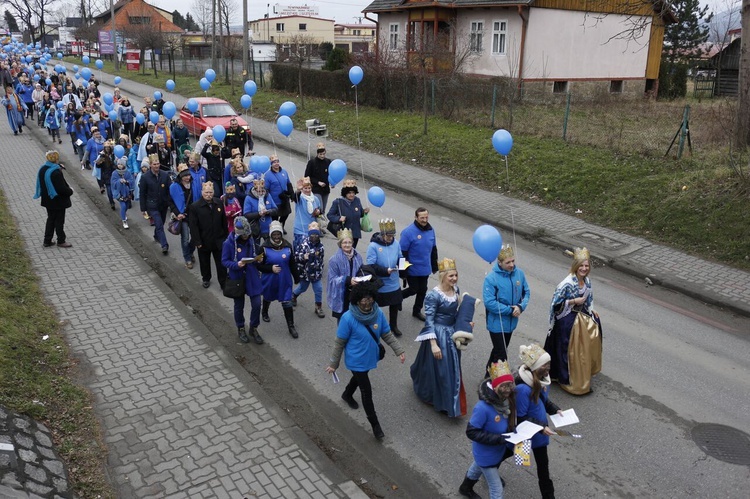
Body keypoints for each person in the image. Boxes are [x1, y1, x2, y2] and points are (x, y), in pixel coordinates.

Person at [325, 281, 406, 440]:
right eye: (364, 300)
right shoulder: (347, 318)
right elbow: (339, 343)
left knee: (359, 378)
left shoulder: (378, 313)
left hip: (371, 356)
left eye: (370, 299)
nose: (368, 303)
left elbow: (387, 334)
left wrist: (399, 351)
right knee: (366, 391)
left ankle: (347, 394)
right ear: (356, 300)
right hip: (356, 360)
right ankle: (375, 425)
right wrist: (333, 364)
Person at [410, 258, 468, 418]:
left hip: (452, 333)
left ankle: (448, 398)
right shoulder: (433, 295)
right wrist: (434, 344)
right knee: (441, 369)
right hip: (439, 335)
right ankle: (440, 399)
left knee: (452, 367)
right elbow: (429, 320)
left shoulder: (456, 290)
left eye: (455, 275)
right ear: (443, 276)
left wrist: (465, 324)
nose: (454, 279)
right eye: (451, 276)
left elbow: (456, 313)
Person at [544, 247, 602, 395]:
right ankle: (569, 377)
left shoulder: (587, 281)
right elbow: (555, 305)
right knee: (572, 346)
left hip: (581, 314)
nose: (584, 268)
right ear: (576, 266)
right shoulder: (566, 283)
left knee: (595, 326)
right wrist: (573, 301)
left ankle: (585, 369)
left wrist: (591, 309)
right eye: (581, 266)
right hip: (567, 317)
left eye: (586, 266)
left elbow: (589, 298)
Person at [511, 344, 562, 499]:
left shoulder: (540, 381)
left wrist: (555, 410)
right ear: (535, 368)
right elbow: (521, 417)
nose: (548, 369)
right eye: (544, 366)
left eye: (549, 365)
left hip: (539, 435)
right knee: (500, 455)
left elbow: (544, 402)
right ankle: (474, 477)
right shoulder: (523, 390)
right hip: (526, 435)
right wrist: (542, 427)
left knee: (543, 468)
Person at [459, 360, 516, 499]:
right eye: (504, 386)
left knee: (477, 467)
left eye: (510, 385)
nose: (508, 389)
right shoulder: (482, 408)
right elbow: (471, 432)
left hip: (495, 450)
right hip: (486, 454)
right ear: (495, 387)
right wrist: (500, 438)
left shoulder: (505, 399)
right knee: (497, 490)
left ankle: (465, 488)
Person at [483, 244, 531, 374]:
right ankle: (499, 384)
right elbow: (489, 302)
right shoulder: (491, 278)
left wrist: (521, 307)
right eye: (508, 262)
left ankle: (488, 375)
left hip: (511, 323)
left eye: (513, 261)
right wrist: (510, 310)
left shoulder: (519, 274)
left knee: (498, 350)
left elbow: (526, 292)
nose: (511, 265)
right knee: (502, 355)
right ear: (499, 262)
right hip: (496, 324)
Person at [222, 216, 264, 345]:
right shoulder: (228, 243)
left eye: (248, 234)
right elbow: (224, 261)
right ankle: (240, 328)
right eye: (244, 235)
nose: (246, 237)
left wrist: (258, 260)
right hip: (237, 278)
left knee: (257, 304)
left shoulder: (250, 240)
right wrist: (236, 265)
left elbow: (253, 255)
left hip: (251, 276)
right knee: (239, 306)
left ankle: (253, 328)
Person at [258, 221, 300, 338]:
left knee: (287, 301)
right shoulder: (264, 248)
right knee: (268, 297)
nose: (276, 237)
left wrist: (296, 277)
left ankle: (291, 326)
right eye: (274, 235)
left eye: (278, 234)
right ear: (271, 235)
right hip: (270, 280)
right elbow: (258, 265)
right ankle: (264, 311)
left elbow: (292, 263)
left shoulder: (288, 246)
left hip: (284, 280)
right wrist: (270, 268)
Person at [366, 219, 404, 336]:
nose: (390, 238)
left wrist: (402, 266)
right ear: (382, 235)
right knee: (376, 306)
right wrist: (384, 271)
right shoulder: (373, 246)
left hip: (393, 281)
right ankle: (374, 326)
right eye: (388, 236)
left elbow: (400, 256)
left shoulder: (396, 243)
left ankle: (393, 326)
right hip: (380, 282)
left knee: (394, 304)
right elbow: (371, 265)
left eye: (392, 235)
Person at [400, 207, 438, 321]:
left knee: (423, 290)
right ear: (416, 218)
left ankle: (417, 310)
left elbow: (434, 249)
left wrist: (434, 266)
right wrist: (402, 271)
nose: (424, 220)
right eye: (422, 218)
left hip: (425, 267)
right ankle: (398, 297)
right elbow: (402, 253)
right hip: (412, 268)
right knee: (414, 289)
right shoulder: (408, 232)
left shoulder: (431, 230)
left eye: (426, 217)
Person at [189, 183, 228, 289]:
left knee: (221, 264)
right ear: (202, 192)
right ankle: (206, 279)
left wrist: (226, 237)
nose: (208, 194)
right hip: (204, 240)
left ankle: (223, 282)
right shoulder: (195, 207)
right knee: (204, 262)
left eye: (210, 192)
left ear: (213, 192)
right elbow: (193, 226)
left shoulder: (219, 203)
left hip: (219, 240)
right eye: (206, 192)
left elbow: (224, 221)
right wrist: (197, 241)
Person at [34, 150, 73, 248]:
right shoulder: (55, 172)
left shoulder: (43, 169)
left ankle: (47, 240)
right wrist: (70, 191)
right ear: (56, 159)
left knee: (50, 219)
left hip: (48, 200)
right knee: (59, 221)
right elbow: (61, 189)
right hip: (57, 201)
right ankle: (61, 240)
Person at [326, 228, 364, 323]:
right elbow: (332, 280)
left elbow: (361, 270)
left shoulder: (358, 256)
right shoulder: (334, 260)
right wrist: (347, 280)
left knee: (356, 319)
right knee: (343, 321)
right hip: (341, 295)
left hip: (355, 292)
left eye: (349, 242)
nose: (347, 245)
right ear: (340, 244)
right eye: (344, 243)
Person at [139, 153, 172, 255]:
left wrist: (170, 202)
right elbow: (142, 193)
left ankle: (156, 235)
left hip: (163, 204)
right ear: (150, 165)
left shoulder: (165, 175)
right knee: (158, 224)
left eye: (158, 164)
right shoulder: (145, 177)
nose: (157, 166)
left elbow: (170, 189)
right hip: (152, 205)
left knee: (160, 223)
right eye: (154, 164)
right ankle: (164, 245)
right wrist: (143, 208)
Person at [292, 221, 326, 318]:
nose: (314, 237)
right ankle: (294, 295)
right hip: (305, 272)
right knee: (303, 287)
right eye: (312, 235)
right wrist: (303, 256)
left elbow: (321, 258)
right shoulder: (303, 244)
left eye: (316, 235)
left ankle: (318, 307)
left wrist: (320, 269)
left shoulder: (321, 246)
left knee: (318, 289)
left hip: (316, 273)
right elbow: (295, 257)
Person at [327, 178, 369, 248]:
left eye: (353, 193)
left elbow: (360, 214)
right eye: (349, 193)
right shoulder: (338, 202)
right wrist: (339, 218)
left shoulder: (357, 200)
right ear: (345, 193)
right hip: (344, 233)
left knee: (352, 252)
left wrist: (364, 211)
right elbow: (330, 215)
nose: (352, 195)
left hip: (355, 233)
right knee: (345, 252)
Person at [169, 167, 196, 268]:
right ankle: (187, 259)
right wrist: (177, 213)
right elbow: (170, 201)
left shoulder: (194, 185)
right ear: (180, 176)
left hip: (194, 215)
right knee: (185, 238)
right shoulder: (174, 187)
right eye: (185, 176)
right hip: (182, 216)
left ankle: (190, 251)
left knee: (195, 238)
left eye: (188, 175)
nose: (188, 177)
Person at [243, 177, 278, 245]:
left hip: (267, 227)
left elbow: (275, 209)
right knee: (256, 248)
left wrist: (268, 212)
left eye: (262, 191)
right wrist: (258, 214)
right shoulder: (248, 198)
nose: (260, 193)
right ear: (255, 189)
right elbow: (246, 214)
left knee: (269, 246)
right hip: (256, 228)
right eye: (258, 191)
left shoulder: (267, 195)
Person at [264, 155, 294, 233]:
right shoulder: (268, 175)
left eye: (277, 161)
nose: (276, 163)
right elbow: (266, 189)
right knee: (275, 218)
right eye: (274, 162)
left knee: (286, 214)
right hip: (274, 201)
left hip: (284, 199)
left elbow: (288, 184)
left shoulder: (284, 171)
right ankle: (275, 230)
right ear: (271, 164)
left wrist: (291, 194)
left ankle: (281, 225)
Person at [292, 177, 321, 250]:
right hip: (300, 228)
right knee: (300, 249)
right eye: (305, 188)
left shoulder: (315, 199)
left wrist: (318, 212)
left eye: (309, 188)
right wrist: (298, 190)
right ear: (302, 189)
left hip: (312, 228)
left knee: (311, 249)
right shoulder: (300, 198)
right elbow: (295, 198)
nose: (307, 190)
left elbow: (320, 212)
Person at [304, 142, 331, 213]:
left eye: (324, 154)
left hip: (325, 189)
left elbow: (331, 174)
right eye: (320, 154)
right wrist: (318, 182)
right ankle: (317, 222)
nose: (322, 156)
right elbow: (307, 176)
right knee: (319, 208)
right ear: (317, 154)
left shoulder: (328, 161)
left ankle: (320, 222)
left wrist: (332, 182)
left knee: (323, 209)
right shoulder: (312, 162)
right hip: (316, 188)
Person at [110, 157, 135, 229]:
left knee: (127, 206)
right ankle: (124, 221)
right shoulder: (114, 173)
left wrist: (127, 182)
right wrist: (119, 181)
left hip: (127, 193)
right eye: (118, 164)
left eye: (121, 164)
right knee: (123, 206)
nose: (120, 165)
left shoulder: (127, 172)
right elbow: (113, 183)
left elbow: (131, 180)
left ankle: (123, 214)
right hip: (119, 193)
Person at [95, 140, 117, 210]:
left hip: (114, 175)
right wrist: (99, 163)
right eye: (106, 148)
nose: (107, 149)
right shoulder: (102, 155)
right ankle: (112, 202)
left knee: (114, 189)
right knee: (109, 190)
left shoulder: (113, 155)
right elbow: (98, 166)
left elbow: (115, 165)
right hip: (106, 175)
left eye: (108, 147)